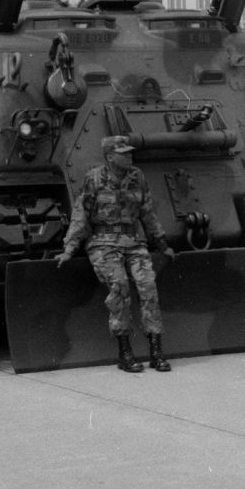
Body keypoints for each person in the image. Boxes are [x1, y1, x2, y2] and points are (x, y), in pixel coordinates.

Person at [55, 135, 174, 373]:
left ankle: (156, 351)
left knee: (148, 286)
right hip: (103, 242)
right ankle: (125, 353)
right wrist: (69, 249)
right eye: (124, 153)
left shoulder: (137, 177)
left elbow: (147, 213)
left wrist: (162, 244)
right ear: (110, 157)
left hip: (134, 240)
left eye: (130, 152)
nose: (130, 156)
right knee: (119, 287)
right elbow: (81, 215)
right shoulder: (94, 178)